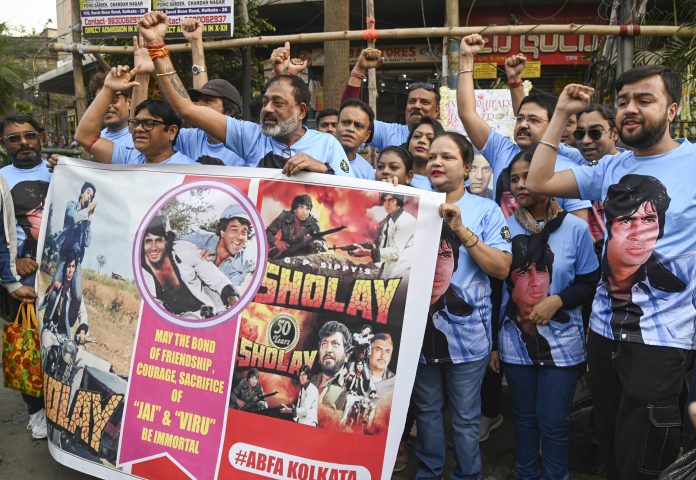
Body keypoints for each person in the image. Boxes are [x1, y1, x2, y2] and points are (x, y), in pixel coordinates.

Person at [526, 66, 696, 480]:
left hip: (663, 344)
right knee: (613, 456)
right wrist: (561, 112)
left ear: (672, 109)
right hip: (603, 336)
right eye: (623, 102)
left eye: (644, 100)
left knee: (645, 461)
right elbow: (538, 180)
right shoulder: (611, 167)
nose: (630, 109)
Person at [137, 12, 353, 176]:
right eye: (265, 102)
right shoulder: (250, 137)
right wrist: (156, 45)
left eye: (278, 103)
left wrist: (322, 169)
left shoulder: (327, 144)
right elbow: (186, 108)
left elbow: (354, 195)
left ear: (302, 111)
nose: (267, 109)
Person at [493, 145, 598, 479]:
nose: (520, 185)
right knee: (524, 420)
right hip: (514, 343)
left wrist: (558, 301)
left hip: (563, 344)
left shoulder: (576, 229)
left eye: (528, 176)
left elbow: (590, 282)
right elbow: (496, 290)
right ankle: (526, 474)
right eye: (514, 179)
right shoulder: (503, 228)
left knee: (554, 423)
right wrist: (494, 345)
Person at [415, 131, 512, 480]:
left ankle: (468, 474)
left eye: (447, 157)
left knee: (465, 417)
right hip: (417, 336)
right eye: (432, 157)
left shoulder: (486, 210)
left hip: (468, 340)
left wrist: (461, 230)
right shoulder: (413, 204)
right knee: (427, 411)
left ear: (467, 167)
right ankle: (429, 472)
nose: (437, 162)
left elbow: (501, 268)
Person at [457, 34, 591, 221]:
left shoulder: (570, 169)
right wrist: (466, 58)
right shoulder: (502, 151)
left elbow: (579, 228)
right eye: (519, 119)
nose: (523, 124)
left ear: (554, 126)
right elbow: (467, 114)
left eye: (534, 120)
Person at [0, 113, 51, 440]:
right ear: (3, 145)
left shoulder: (61, 171)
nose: (23, 143)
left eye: (30, 135)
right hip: (22, 285)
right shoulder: (1, 179)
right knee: (25, 347)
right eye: (14, 138)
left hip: (59, 278)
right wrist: (11, 269)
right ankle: (36, 412)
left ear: (40, 138)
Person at [73, 66, 195, 166]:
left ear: (172, 132)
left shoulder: (190, 171)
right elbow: (84, 137)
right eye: (136, 123)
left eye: (148, 123)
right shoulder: (129, 159)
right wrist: (108, 89)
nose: (138, 129)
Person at [140, 215, 239, 317]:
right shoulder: (139, 269)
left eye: (159, 240)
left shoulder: (184, 250)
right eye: (148, 241)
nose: (153, 247)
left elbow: (217, 279)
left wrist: (233, 299)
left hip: (205, 314)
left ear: (167, 240)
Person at [342, 48, 440, 149]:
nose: (417, 106)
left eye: (425, 102)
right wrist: (359, 70)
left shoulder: (445, 139)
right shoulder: (389, 133)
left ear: (438, 111)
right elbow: (349, 114)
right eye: (412, 101)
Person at [184, 204, 255, 290]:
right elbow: (172, 251)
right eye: (234, 230)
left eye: (243, 232)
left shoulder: (245, 264)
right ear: (222, 232)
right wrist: (192, 255)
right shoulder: (197, 239)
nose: (239, 237)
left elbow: (234, 291)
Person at [349, 193, 415, 279]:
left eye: (391, 200)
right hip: (388, 271)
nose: (387, 204)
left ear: (399, 201)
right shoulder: (389, 221)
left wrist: (368, 252)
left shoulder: (405, 221)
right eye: (385, 201)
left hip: (402, 274)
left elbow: (396, 252)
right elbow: (384, 250)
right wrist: (366, 251)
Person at [41, 250, 89, 349]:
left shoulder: (75, 293)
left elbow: (82, 312)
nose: (70, 270)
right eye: (68, 266)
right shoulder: (57, 285)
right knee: (46, 345)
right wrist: (52, 287)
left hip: (63, 334)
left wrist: (82, 331)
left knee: (69, 353)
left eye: (73, 266)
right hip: (49, 330)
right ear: (64, 268)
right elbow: (42, 302)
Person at [311, 320, 352, 419]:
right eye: (324, 344)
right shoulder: (310, 381)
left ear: (347, 355)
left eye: (335, 344)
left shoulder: (353, 386)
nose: (328, 350)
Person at [266, 194, 327, 259]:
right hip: (283, 253)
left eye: (307, 209)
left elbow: (324, 246)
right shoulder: (285, 216)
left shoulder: (313, 222)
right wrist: (276, 242)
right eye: (301, 207)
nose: (305, 212)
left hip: (303, 256)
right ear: (294, 209)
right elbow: (268, 232)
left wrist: (312, 243)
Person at [88, 72, 134, 148]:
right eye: (100, 101)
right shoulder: (96, 138)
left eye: (114, 99)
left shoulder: (140, 138)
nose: (107, 105)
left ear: (129, 103)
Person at [335, 99, 374, 179]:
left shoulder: (368, 172)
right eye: (346, 122)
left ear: (366, 136)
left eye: (359, 126)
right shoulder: (316, 158)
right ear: (336, 126)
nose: (351, 129)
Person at [405, 116, 444, 190]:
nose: (422, 141)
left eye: (430, 138)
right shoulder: (396, 176)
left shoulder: (446, 183)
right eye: (417, 136)